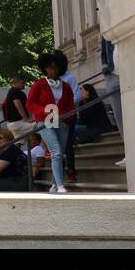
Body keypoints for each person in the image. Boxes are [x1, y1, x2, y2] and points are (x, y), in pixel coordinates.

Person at [27, 52, 75, 194]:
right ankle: (60, 186)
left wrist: (67, 118)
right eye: (49, 67)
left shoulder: (66, 87)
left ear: (60, 68)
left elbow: (70, 105)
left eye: (55, 67)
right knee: (56, 152)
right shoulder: (39, 85)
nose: (52, 70)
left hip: (62, 123)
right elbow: (30, 104)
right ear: (45, 68)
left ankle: (54, 185)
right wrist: (45, 112)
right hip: (45, 122)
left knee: (59, 154)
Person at [52, 49, 84, 183]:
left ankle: (71, 171)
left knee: (67, 145)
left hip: (68, 117)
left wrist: (64, 109)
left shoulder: (69, 78)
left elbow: (78, 96)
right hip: (53, 117)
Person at [101, 37, 126, 167]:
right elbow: (104, 53)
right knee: (119, 116)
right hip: (113, 75)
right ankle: (128, 151)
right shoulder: (106, 32)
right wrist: (106, 70)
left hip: (130, 72)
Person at [0, 127, 29, 192]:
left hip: (18, 182)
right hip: (10, 180)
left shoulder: (11, 149)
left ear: (8, 138)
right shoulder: (2, 151)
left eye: (1, 138)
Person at [2, 74, 32, 140]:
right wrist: (27, 119)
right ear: (16, 82)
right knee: (41, 127)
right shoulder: (15, 92)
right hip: (18, 122)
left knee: (18, 142)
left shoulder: (11, 92)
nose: (24, 84)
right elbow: (19, 106)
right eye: (22, 83)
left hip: (12, 123)